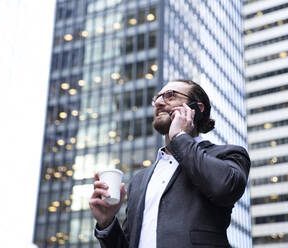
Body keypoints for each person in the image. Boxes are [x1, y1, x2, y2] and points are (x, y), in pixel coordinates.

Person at [89, 79, 251, 248]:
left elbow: (224, 188)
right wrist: (107, 223)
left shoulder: (228, 155)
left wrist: (180, 137)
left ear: (197, 108)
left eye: (170, 96)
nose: (158, 102)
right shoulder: (139, 179)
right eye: (157, 98)